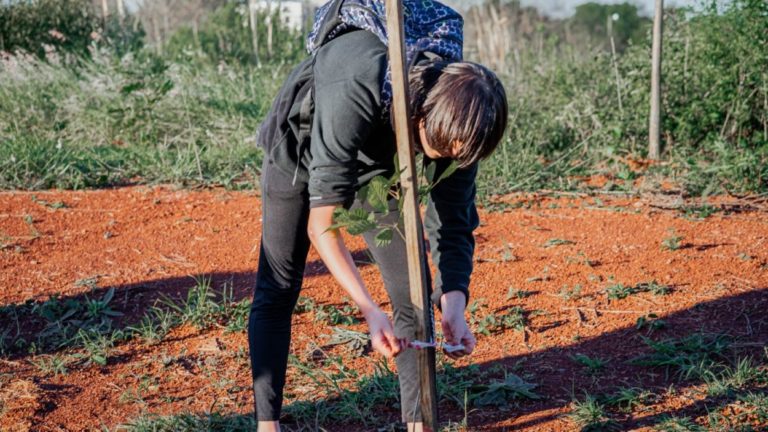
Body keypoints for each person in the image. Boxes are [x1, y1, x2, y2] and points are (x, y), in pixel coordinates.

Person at [248, 1, 508, 431]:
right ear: (420, 114)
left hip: (382, 168)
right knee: (279, 285)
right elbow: (323, 226)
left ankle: (419, 423)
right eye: (434, 151)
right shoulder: (356, 78)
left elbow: (453, 220)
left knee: (415, 298)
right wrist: (369, 310)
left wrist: (454, 301)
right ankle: (266, 423)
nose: (439, 162)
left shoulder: (466, 118)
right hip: (302, 149)